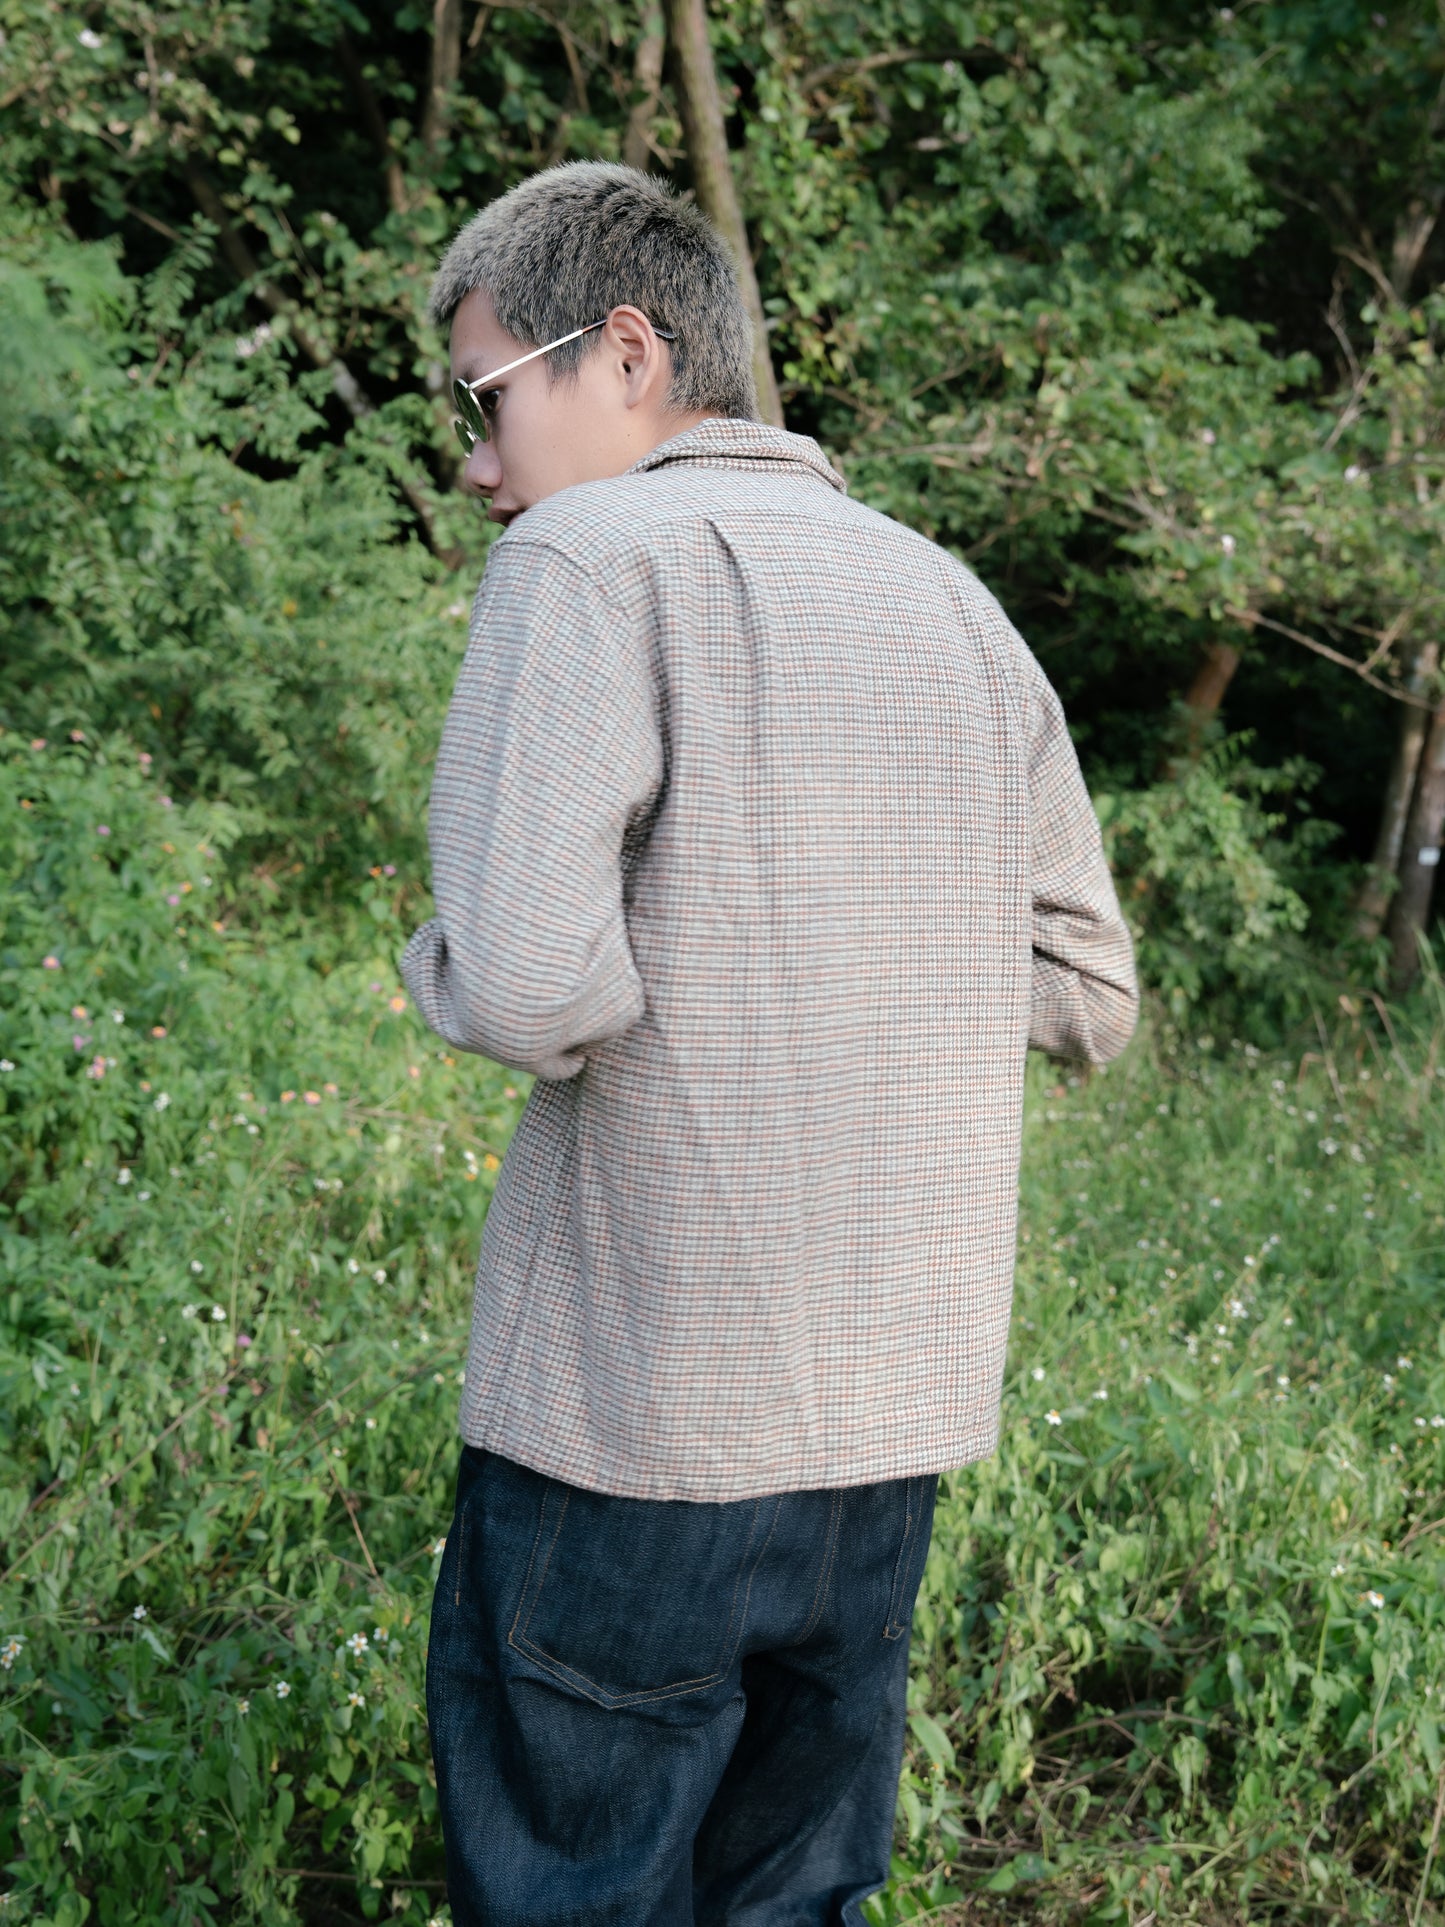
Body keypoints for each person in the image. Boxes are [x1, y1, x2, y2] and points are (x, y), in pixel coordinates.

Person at [401, 159, 1138, 1927]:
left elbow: (523, 985)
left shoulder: (581, 563)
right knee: (783, 1901)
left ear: (628, 351)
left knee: (573, 1889)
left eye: (485, 396)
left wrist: (434, 956)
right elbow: (1088, 996)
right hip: (883, 1441)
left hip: (635, 1421)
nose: (479, 461)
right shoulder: (952, 602)